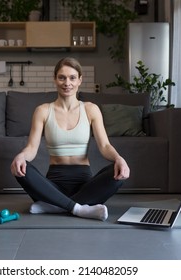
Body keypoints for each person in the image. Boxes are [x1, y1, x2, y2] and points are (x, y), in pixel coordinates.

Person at [10, 57, 130, 221]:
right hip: (52, 185)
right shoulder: (43, 111)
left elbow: (105, 146)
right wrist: (21, 156)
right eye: (62, 77)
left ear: (80, 80)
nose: (67, 83)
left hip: (85, 185)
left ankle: (54, 206)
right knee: (21, 170)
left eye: (72, 77)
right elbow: (31, 148)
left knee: (118, 174)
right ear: (55, 79)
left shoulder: (90, 109)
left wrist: (119, 158)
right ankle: (78, 208)